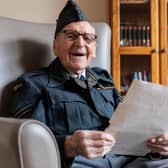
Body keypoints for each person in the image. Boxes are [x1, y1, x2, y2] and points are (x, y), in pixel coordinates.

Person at [9, 0, 168, 168]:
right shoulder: (33, 84)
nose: (80, 43)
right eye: (71, 36)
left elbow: (128, 125)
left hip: (128, 160)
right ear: (55, 45)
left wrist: (158, 144)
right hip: (80, 163)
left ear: (94, 48)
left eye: (88, 38)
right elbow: (24, 142)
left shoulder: (103, 79)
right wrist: (70, 144)